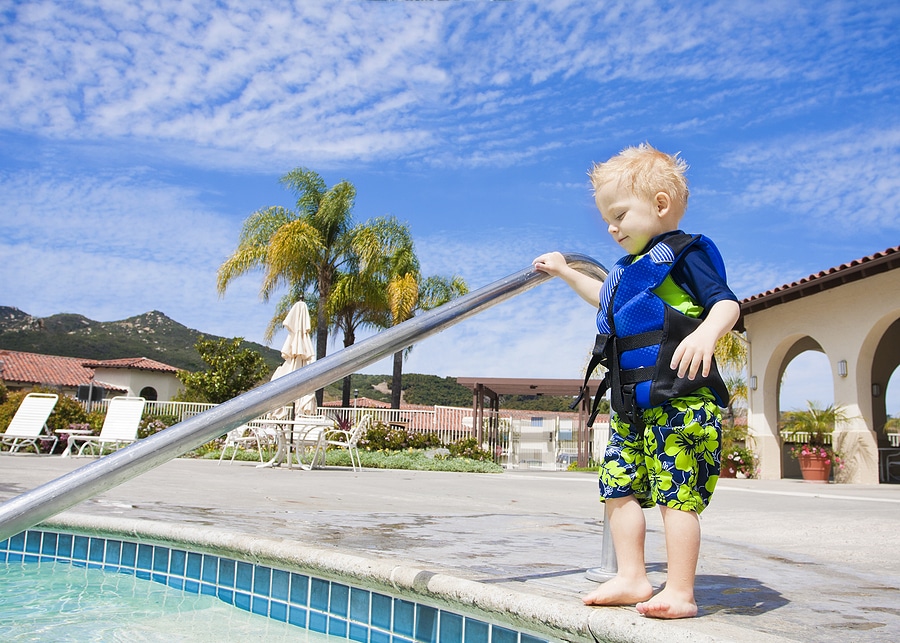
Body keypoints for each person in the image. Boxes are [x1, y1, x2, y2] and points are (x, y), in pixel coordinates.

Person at [533, 143, 740, 619]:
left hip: (680, 398)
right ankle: (631, 576)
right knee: (617, 488)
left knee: (677, 495)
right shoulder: (627, 271)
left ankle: (681, 591)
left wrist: (708, 333)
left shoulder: (686, 255)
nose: (611, 228)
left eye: (619, 214)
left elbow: (726, 303)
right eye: (608, 218)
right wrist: (566, 272)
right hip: (632, 405)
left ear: (661, 205)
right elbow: (603, 298)